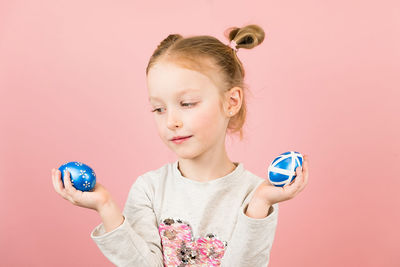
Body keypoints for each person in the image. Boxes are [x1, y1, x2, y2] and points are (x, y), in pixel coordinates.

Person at [51, 24, 309, 267]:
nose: (171, 121)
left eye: (187, 104)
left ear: (231, 101)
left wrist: (261, 203)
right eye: (159, 109)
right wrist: (105, 206)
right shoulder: (149, 189)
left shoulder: (253, 194)